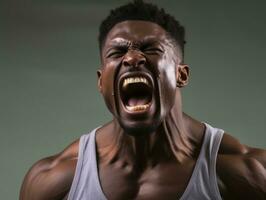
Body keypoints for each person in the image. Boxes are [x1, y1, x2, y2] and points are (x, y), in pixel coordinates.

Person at [20, 1, 266, 199]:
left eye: (151, 49)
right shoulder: (55, 179)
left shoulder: (245, 171)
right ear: (101, 81)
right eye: (117, 52)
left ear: (181, 74)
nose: (132, 58)